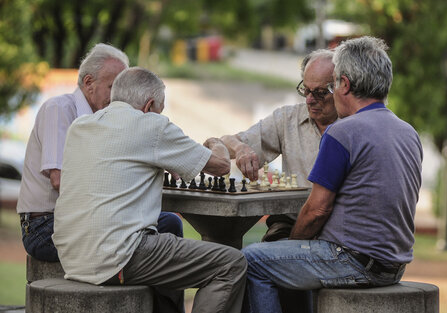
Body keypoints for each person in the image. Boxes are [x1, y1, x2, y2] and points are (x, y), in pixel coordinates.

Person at [241, 36, 423, 313]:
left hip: (351, 260)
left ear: (345, 84)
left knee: (251, 259)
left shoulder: (343, 132)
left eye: (333, 83)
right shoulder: (407, 132)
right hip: (394, 265)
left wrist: (293, 245)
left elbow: (316, 210)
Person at [52, 67, 247, 313]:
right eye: (160, 110)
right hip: (119, 256)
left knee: (168, 230)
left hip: (72, 257)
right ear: (150, 105)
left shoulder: (80, 126)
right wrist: (216, 143)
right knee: (231, 263)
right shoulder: (151, 125)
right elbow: (220, 166)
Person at [16, 43, 183, 263]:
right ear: (89, 83)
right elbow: (60, 179)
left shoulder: (107, 120)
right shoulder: (59, 109)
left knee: (168, 223)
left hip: (88, 221)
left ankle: (158, 299)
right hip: (46, 226)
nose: (119, 97)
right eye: (113, 87)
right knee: (153, 232)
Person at [220, 49, 337, 242]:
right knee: (249, 260)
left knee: (251, 260)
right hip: (291, 224)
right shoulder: (287, 119)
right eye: (306, 90)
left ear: (340, 88)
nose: (309, 99)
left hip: (336, 229)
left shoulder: (354, 125)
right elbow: (226, 142)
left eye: (320, 93)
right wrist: (241, 148)